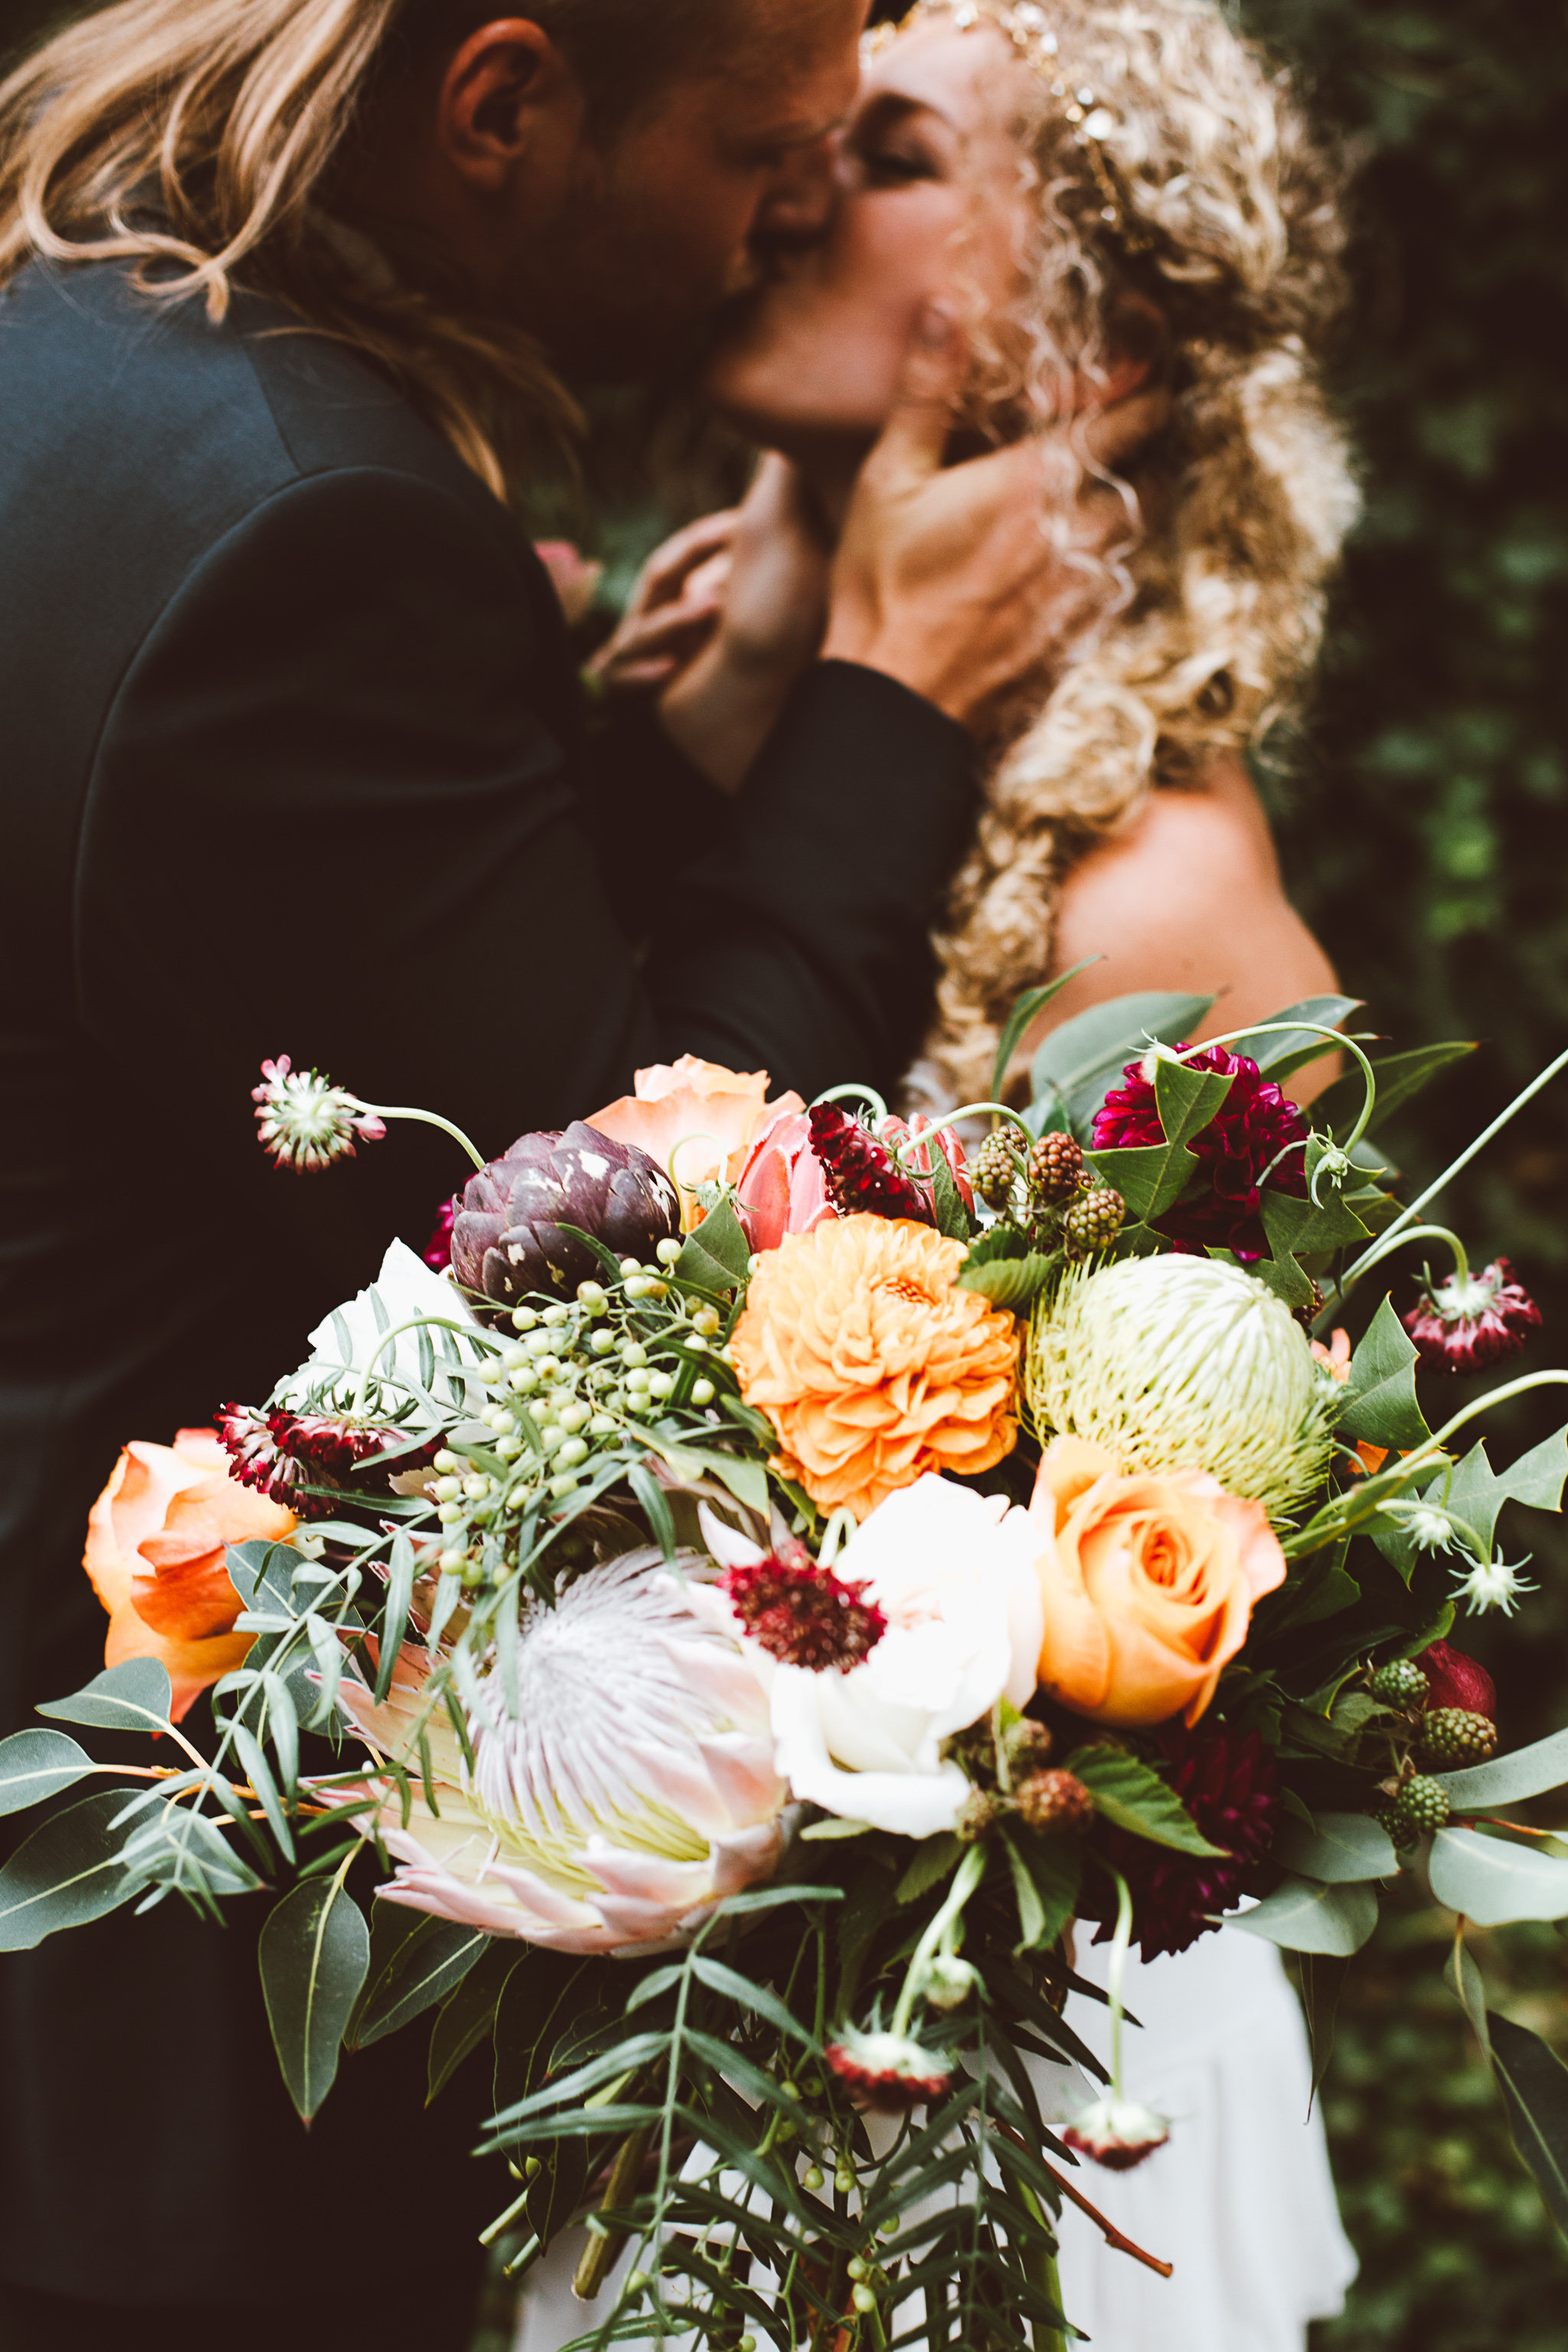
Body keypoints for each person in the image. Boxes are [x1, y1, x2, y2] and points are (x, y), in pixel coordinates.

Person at [0, 2, 1168, 2347]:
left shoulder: (94, 370)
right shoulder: (313, 531)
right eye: (768, 150)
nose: (797, 217)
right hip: (148, 2022)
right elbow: (631, 1213)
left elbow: (307, 980)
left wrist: (692, 745)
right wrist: (896, 702)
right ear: (505, 107)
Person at [577, 3, 1363, 2345]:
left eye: (893, 153)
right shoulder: (679, 748)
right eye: (808, 136)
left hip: (981, 2084)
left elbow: (1205, 1644)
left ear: (1092, 323)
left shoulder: (1148, 911)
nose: (800, 181)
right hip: (665, 2033)